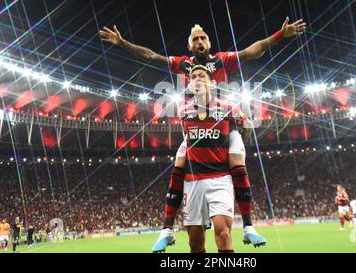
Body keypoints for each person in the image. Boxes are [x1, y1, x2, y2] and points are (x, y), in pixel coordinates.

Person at [101, 19, 306, 251]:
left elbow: (251, 51)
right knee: (179, 163)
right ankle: (167, 229)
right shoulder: (185, 64)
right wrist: (122, 42)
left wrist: (279, 35)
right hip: (195, 122)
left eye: (203, 38)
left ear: (208, 42)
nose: (200, 41)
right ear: (190, 46)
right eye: (195, 39)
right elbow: (150, 57)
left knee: (237, 153)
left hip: (224, 122)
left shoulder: (221, 60)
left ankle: (248, 226)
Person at [164, 65, 251, 252]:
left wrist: (237, 148)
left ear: (212, 83)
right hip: (194, 181)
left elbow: (247, 127)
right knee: (195, 243)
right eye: (193, 76)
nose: (197, 79)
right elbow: (188, 139)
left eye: (201, 76)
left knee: (224, 234)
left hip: (220, 177)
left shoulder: (229, 107)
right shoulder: (184, 112)